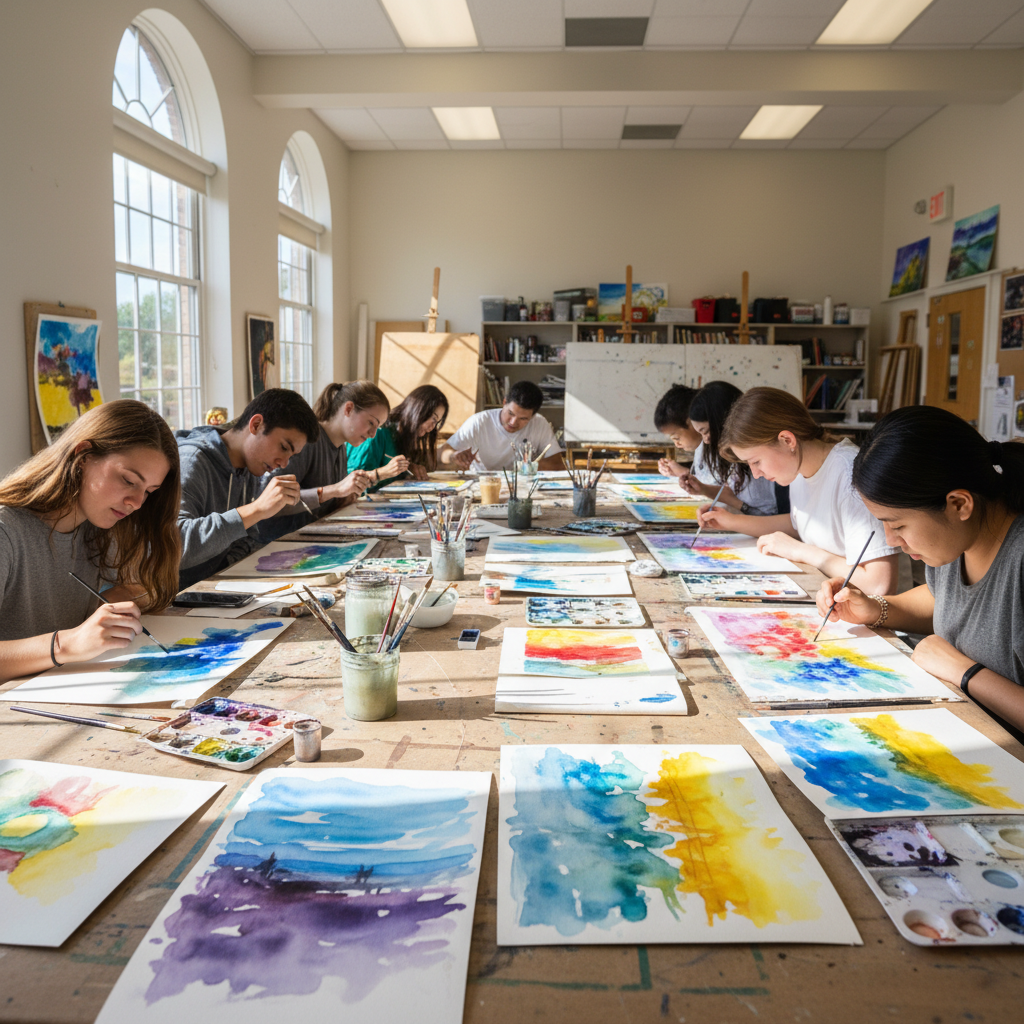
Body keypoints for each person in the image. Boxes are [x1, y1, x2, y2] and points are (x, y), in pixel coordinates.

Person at [816, 407, 1024, 736]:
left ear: (959, 504)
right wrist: (875, 608)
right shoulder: (955, 541)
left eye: (898, 525)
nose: (891, 540)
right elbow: (943, 600)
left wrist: (965, 672)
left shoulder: (1017, 558)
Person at [0, 400, 180, 682]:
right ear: (83, 456)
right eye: (128, 480)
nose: (137, 502)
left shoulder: (97, 528)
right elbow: (69, 640)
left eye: (149, 491)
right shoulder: (6, 530)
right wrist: (67, 644)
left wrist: (111, 605)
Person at [698, 386, 899, 593]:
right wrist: (730, 521)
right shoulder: (799, 469)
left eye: (756, 461)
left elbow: (879, 585)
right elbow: (799, 524)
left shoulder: (850, 475)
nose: (755, 474)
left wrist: (801, 551)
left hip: (872, 610)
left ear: (787, 441)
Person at [177, 387, 320, 588]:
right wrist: (256, 509)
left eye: (291, 455)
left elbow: (246, 540)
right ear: (256, 424)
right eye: (283, 447)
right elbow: (176, 545)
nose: (284, 463)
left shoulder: (249, 467)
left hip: (216, 589)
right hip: (178, 598)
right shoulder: (191, 461)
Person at [257, 381, 387, 541]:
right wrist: (336, 490)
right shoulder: (306, 441)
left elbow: (324, 506)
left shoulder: (341, 448)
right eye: (371, 423)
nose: (373, 434)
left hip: (311, 542)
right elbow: (270, 500)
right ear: (348, 409)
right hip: (276, 544)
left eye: (377, 427)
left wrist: (344, 498)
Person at [678, 381, 778, 514]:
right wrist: (703, 489)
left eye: (706, 431)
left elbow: (774, 516)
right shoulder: (728, 455)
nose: (706, 441)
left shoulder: (759, 453)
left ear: (723, 422)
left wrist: (733, 513)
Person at [439, 380, 563, 473]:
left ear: (533, 416)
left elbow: (557, 464)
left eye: (523, 419)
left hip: (522, 484)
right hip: (482, 483)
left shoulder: (539, 423)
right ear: (504, 402)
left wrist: (528, 467)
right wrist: (453, 456)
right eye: (510, 413)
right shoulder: (479, 422)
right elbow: (441, 453)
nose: (513, 422)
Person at [347, 384, 448, 492]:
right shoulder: (377, 432)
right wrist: (383, 472)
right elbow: (350, 482)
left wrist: (407, 469)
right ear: (419, 409)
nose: (432, 427)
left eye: (437, 423)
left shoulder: (404, 436)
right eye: (433, 419)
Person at [654, 384, 701, 480]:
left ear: (692, 422)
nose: (677, 444)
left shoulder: (720, 448)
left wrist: (685, 473)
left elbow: (716, 484)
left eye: (677, 438)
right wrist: (677, 469)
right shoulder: (702, 449)